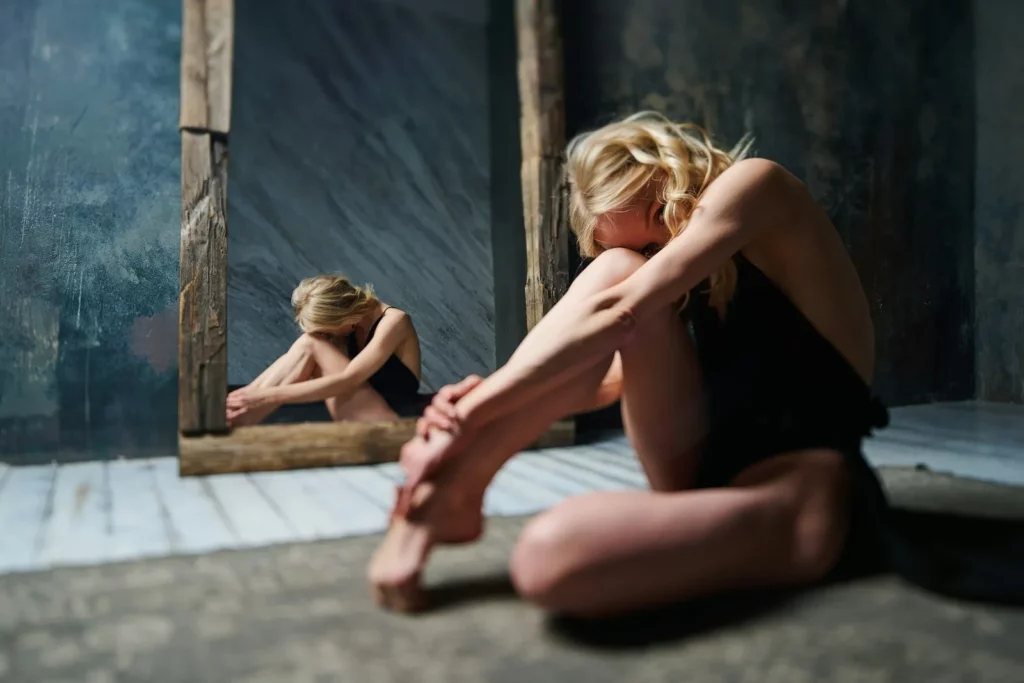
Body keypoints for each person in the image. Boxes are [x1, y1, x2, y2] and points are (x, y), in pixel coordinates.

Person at [367, 111, 892, 616]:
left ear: (665, 173)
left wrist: (470, 410)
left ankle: (446, 464)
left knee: (548, 556)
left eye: (656, 227)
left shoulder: (759, 185)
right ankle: (453, 487)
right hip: (702, 462)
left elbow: (621, 311)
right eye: (649, 248)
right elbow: (593, 383)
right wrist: (484, 398)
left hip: (799, 484)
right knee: (615, 269)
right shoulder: (659, 263)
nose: (657, 253)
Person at [226, 275, 433, 426]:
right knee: (307, 343)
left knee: (309, 343)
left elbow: (348, 380)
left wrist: (268, 396)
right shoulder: (349, 327)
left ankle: (237, 414)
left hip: (391, 418)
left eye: (326, 330)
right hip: (360, 408)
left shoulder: (394, 321)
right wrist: (256, 396)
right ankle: (234, 414)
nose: (326, 335)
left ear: (344, 317)